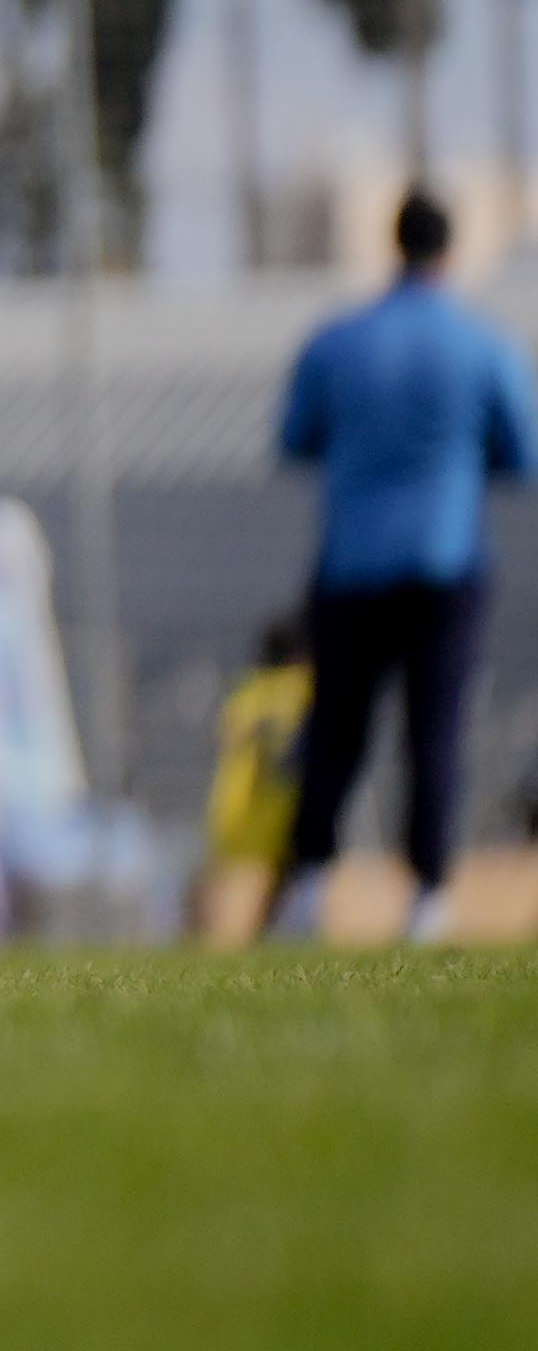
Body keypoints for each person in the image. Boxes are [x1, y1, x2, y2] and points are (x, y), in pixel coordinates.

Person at [265, 190, 538, 947]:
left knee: (336, 727)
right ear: (450, 252)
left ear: (394, 245)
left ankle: (311, 882)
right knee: (436, 729)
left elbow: (295, 439)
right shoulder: (482, 344)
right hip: (445, 560)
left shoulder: (338, 341)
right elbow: (522, 452)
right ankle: (426, 896)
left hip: (351, 560)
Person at [193, 615, 312, 950]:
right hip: (284, 800)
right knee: (284, 872)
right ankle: (271, 929)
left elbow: (228, 734)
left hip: (236, 800)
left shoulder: (251, 688)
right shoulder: (303, 687)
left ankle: (205, 934)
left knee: (222, 875)